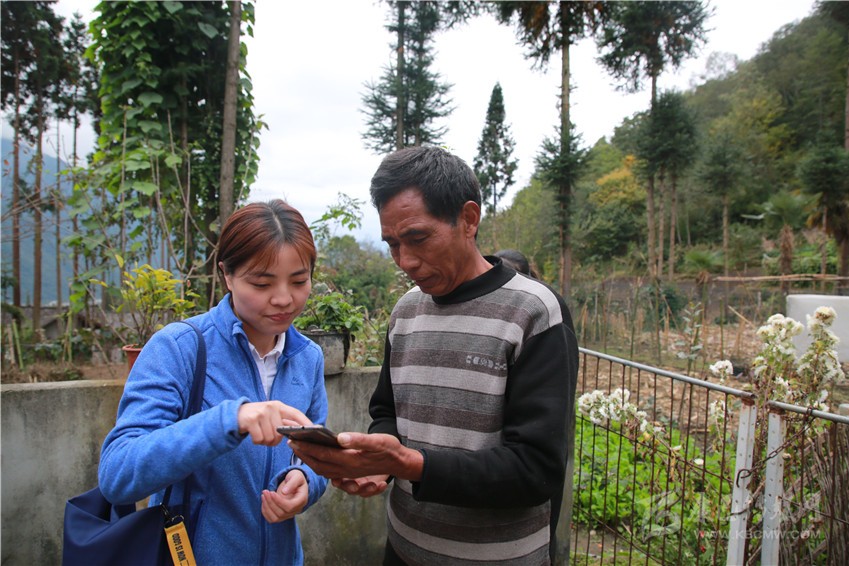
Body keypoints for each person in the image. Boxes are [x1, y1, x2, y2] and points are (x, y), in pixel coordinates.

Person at [290, 146, 579, 565]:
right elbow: (387, 411)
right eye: (392, 244)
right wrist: (381, 461)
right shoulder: (406, 311)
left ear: (468, 219)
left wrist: (413, 465)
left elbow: (536, 470)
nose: (405, 261)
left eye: (418, 238)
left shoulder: (535, 312)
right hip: (403, 550)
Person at [98, 199, 329, 565]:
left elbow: (317, 455)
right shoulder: (179, 348)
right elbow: (118, 473)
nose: (284, 298)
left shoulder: (307, 358)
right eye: (262, 282)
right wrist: (229, 420)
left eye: (299, 281)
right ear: (227, 275)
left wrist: (306, 481)